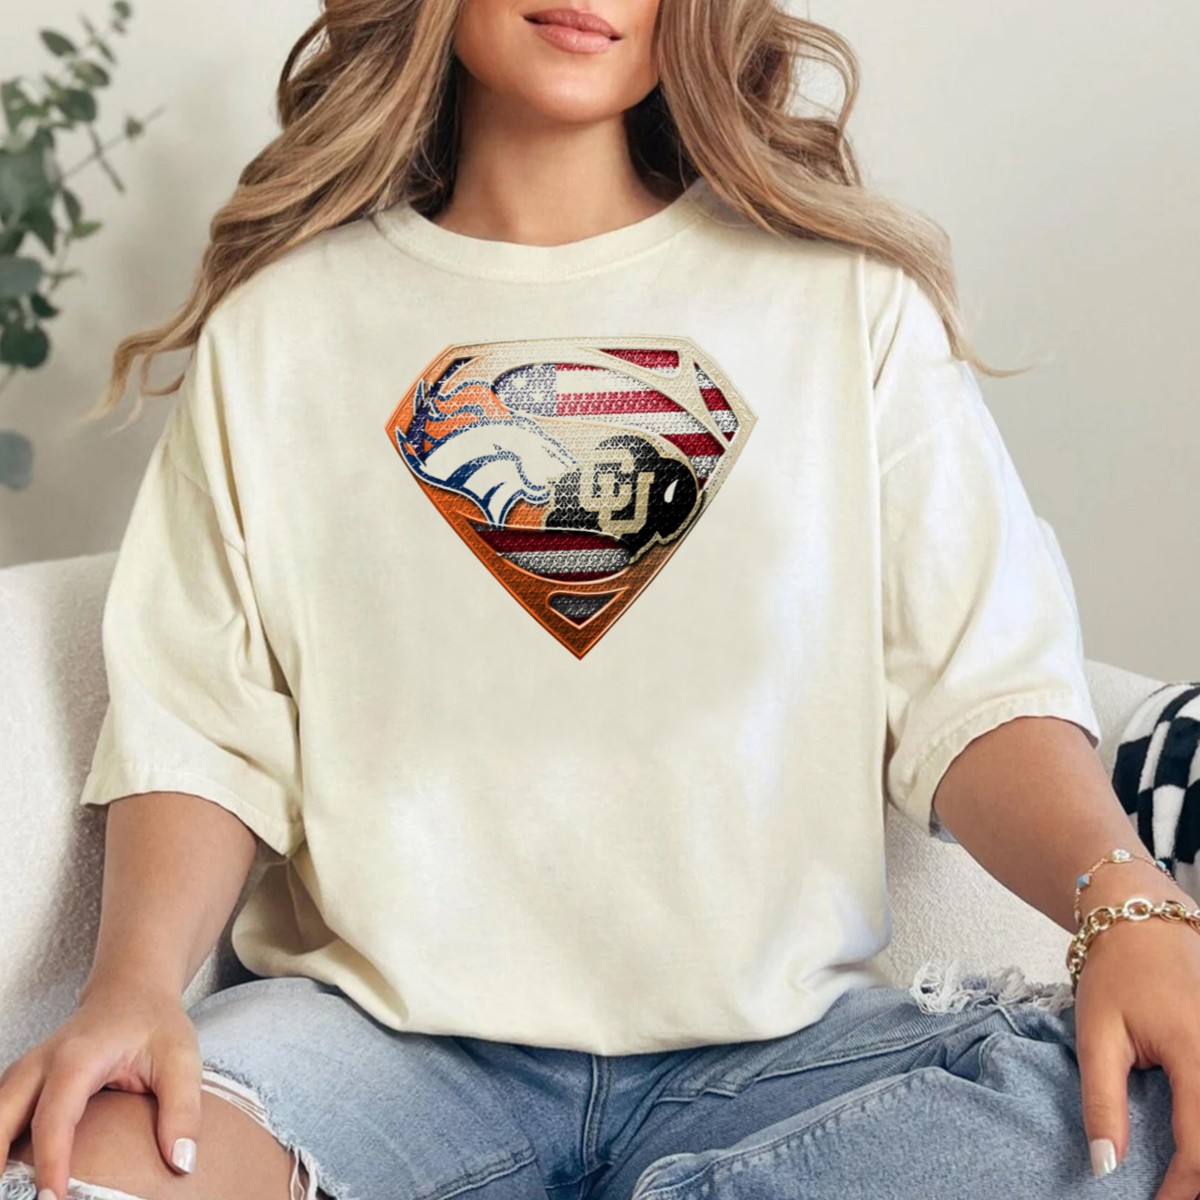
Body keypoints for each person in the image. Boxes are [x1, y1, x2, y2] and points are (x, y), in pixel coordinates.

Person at [2, 2, 1198, 1199]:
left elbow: (977, 690)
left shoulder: (847, 303)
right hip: (372, 1055)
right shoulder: (280, 327)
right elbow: (202, 723)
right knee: (84, 1167)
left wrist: (1129, 904)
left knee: (1146, 1117)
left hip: (782, 1065)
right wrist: (133, 988)